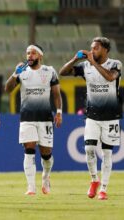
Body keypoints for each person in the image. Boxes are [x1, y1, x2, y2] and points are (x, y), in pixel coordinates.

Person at [59, 37, 121, 200]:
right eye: (91, 48)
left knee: (107, 153)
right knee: (88, 149)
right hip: (92, 116)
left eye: (96, 48)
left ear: (106, 50)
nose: (92, 51)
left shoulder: (115, 64)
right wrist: (75, 59)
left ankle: (104, 189)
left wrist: (93, 62)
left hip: (111, 116)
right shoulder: (85, 66)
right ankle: (94, 180)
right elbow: (63, 72)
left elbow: (109, 77)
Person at [4, 44, 62, 195]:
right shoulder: (22, 72)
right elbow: (8, 89)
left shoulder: (49, 71)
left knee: (46, 154)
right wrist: (14, 74)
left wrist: (59, 112)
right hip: (27, 118)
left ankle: (46, 177)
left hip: (45, 118)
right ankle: (31, 187)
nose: (29, 56)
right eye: (28, 53)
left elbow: (56, 94)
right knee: (29, 151)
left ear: (40, 56)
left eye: (33, 53)